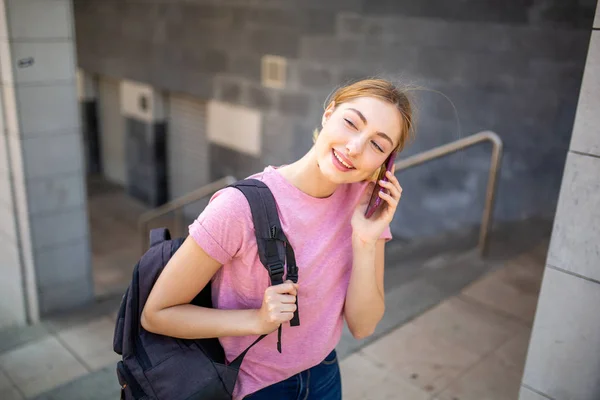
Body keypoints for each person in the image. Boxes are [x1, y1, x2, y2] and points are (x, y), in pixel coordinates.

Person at [141, 78, 414, 399]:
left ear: (386, 163)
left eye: (377, 145)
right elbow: (156, 314)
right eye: (351, 123)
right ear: (329, 114)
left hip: (324, 374)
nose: (355, 147)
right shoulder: (237, 207)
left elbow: (363, 326)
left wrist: (366, 241)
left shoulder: (366, 208)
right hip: (255, 386)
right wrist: (256, 320)